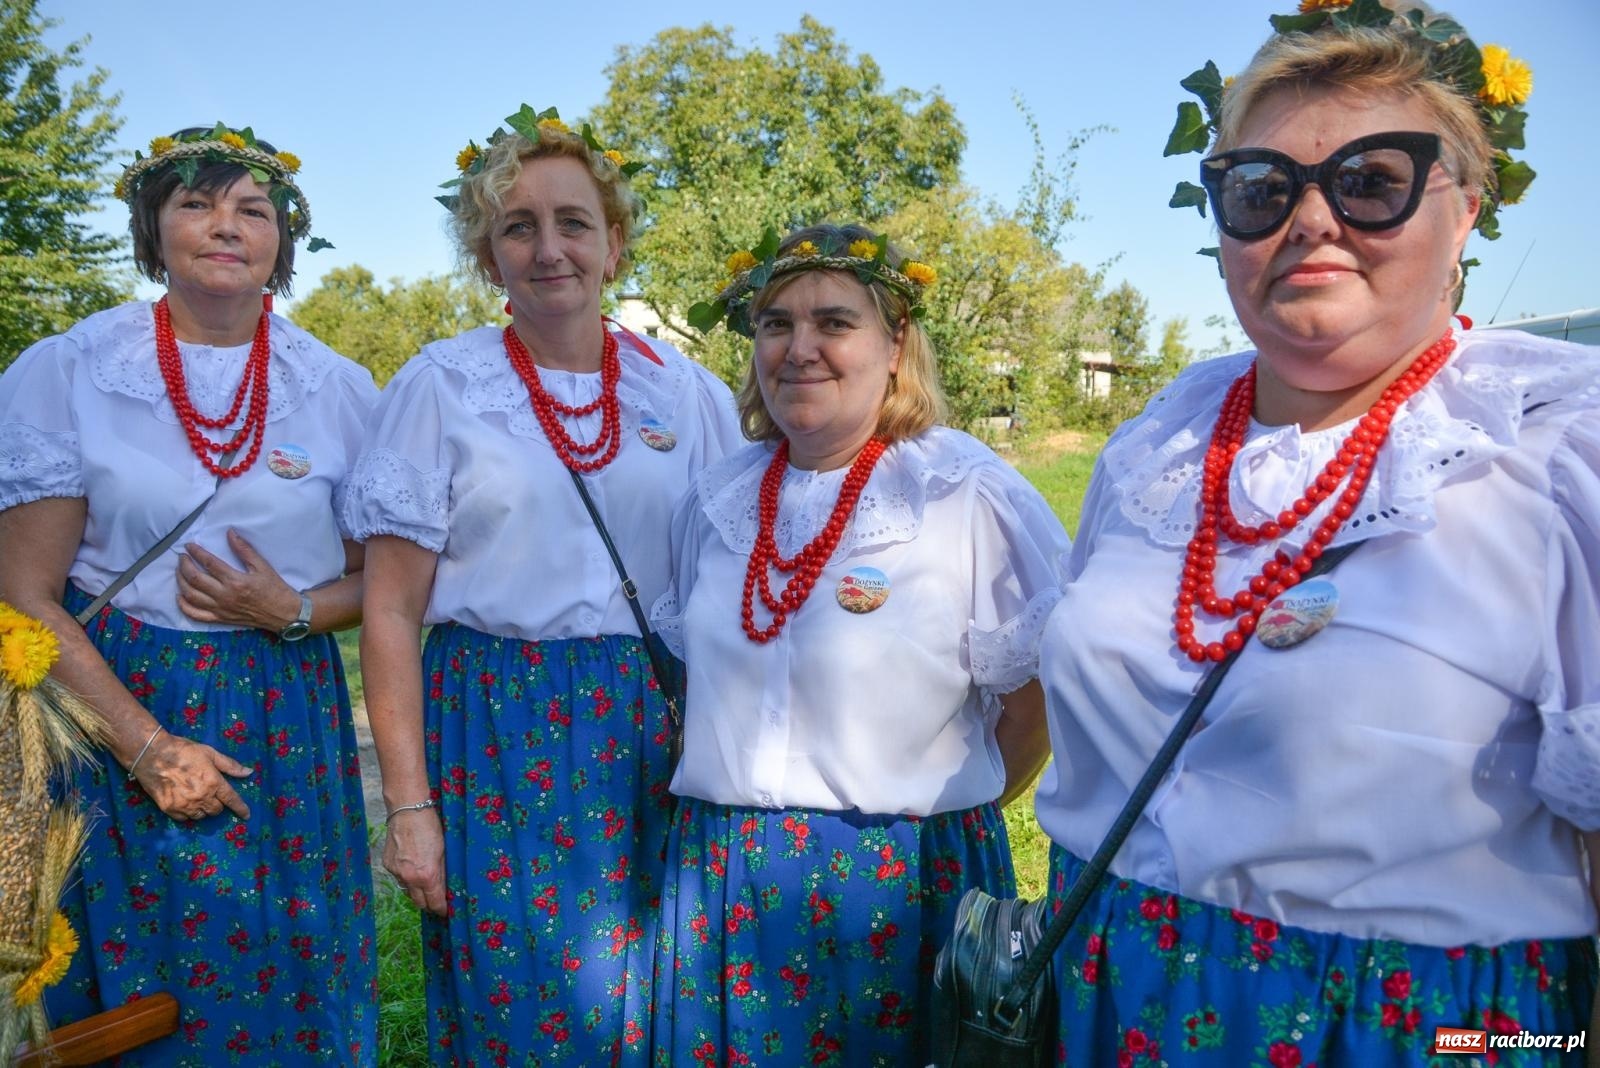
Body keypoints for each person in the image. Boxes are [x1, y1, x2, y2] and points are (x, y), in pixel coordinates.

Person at [1036, 5, 1599, 1063]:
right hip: (1101, 998)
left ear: (1464, 211)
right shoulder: (1154, 448)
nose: (1309, 221)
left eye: (1370, 180)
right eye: (1259, 188)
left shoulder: (1560, 456)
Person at [346, 106, 742, 1065]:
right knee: (518, 998)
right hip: (493, 722)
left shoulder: (686, 392)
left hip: (654, 723)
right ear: (489, 258)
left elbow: (730, 584)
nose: (549, 248)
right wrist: (409, 808)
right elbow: (389, 609)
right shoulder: (441, 387)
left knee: (664, 989)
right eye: (518, 227)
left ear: (616, 244)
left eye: (574, 222)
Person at [0, 124, 378, 1062]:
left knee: (289, 962)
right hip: (112, 702)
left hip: (284, 708)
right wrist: (149, 747)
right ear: (152, 228)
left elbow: (387, 584)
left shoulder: (339, 389)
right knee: (137, 980)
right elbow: (24, 592)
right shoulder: (72, 370)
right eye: (196, 203)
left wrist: (291, 610)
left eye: (254, 209)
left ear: (282, 239)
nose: (226, 225)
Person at [651, 223, 1068, 1065]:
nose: (800, 348)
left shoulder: (962, 493)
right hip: (725, 880)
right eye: (776, 324)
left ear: (896, 343)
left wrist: (932, 815)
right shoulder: (716, 501)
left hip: (902, 884)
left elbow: (1036, 705)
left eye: (835, 322)